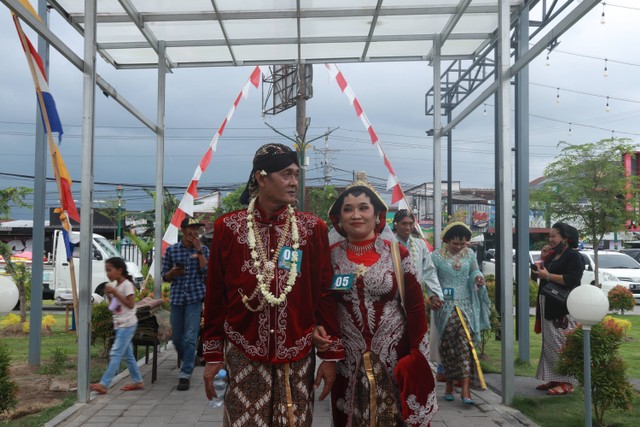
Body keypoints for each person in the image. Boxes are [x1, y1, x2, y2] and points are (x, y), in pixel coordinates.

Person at [201, 143, 343, 426]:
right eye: (286, 174)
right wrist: (212, 356)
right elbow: (216, 294)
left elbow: (324, 291)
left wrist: (330, 355)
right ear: (261, 178)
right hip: (243, 352)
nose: (294, 182)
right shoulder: (227, 228)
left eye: (296, 174)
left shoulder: (312, 229)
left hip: (298, 352)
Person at [328, 180, 437, 426]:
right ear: (339, 217)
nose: (355, 215)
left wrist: (418, 356)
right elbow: (322, 305)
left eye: (363, 208)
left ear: (377, 215)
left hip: (395, 359)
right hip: (347, 361)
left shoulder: (398, 254)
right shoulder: (330, 256)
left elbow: (416, 308)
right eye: (348, 209)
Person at [432, 222, 490, 405]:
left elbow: (474, 271)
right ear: (447, 240)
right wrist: (433, 296)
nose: (458, 247)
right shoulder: (436, 256)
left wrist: (478, 278)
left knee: (466, 343)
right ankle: (449, 383)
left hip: (465, 305)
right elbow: (430, 279)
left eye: (462, 243)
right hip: (444, 306)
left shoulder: (470, 254)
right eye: (454, 243)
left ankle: (465, 389)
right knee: (449, 345)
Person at [533, 222, 584, 396]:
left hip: (561, 308)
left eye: (554, 235)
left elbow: (572, 280)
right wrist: (542, 258)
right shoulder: (552, 255)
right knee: (549, 344)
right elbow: (537, 274)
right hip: (548, 305)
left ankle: (567, 382)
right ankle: (555, 378)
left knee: (561, 344)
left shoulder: (574, 257)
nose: (550, 239)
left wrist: (548, 275)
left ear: (566, 238)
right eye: (550, 235)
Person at [161, 216, 210, 391]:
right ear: (183, 231)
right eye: (191, 228)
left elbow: (207, 273)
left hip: (195, 299)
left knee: (190, 337)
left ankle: (185, 373)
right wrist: (173, 272)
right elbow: (164, 276)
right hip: (177, 298)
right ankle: (191, 357)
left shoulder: (203, 249)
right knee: (176, 338)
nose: (194, 232)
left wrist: (199, 251)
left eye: (197, 229)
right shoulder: (172, 251)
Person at [90, 257, 144, 394]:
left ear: (120, 270)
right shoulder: (117, 287)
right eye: (106, 271)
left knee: (115, 353)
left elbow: (131, 304)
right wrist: (110, 296)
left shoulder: (126, 285)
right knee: (128, 355)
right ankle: (138, 381)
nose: (108, 274)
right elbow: (114, 307)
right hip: (120, 324)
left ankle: (104, 384)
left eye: (110, 270)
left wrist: (115, 293)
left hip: (127, 324)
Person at [393, 209, 443, 309]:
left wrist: (433, 295)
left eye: (411, 224)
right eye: (404, 223)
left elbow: (429, 271)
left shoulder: (420, 244)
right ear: (395, 224)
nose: (408, 227)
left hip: (415, 295)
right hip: (392, 297)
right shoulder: (389, 244)